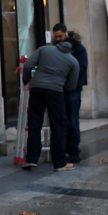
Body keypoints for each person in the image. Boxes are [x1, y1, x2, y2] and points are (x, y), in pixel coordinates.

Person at [20, 34, 80, 171]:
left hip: (37, 89)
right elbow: (72, 85)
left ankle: (31, 159)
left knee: (34, 124)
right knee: (58, 126)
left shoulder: (44, 49)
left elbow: (28, 65)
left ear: (61, 43)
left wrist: (27, 79)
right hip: (56, 92)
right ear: (72, 50)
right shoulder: (73, 61)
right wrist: (60, 87)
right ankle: (59, 162)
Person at [52, 24, 88, 164]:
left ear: (66, 33)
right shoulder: (56, 48)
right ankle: (63, 151)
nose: (58, 39)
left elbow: (82, 69)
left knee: (72, 122)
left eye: (60, 36)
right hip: (59, 88)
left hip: (73, 89)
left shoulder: (79, 48)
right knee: (62, 122)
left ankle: (74, 151)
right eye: (56, 37)